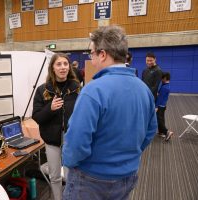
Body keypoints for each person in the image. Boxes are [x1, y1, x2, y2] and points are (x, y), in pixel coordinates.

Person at [62, 25, 157, 200]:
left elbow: (76, 141)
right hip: (127, 176)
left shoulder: (93, 90)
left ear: (103, 54)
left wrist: (69, 163)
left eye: (91, 53)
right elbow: (150, 131)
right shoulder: (144, 89)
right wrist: (129, 155)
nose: (90, 58)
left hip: (90, 180)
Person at [32, 53, 80, 200]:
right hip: (51, 140)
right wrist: (50, 109)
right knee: (55, 176)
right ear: (52, 68)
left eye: (65, 64)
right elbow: (37, 117)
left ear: (69, 67)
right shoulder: (42, 90)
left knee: (70, 174)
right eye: (58, 64)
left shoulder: (76, 87)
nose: (63, 67)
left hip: (71, 138)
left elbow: (82, 111)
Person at [156, 72, 173, 141]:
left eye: (162, 78)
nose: (161, 80)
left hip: (160, 106)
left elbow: (160, 98)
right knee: (161, 119)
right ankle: (161, 132)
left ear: (165, 78)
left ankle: (167, 132)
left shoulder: (164, 88)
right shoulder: (167, 86)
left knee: (159, 119)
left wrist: (156, 106)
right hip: (163, 105)